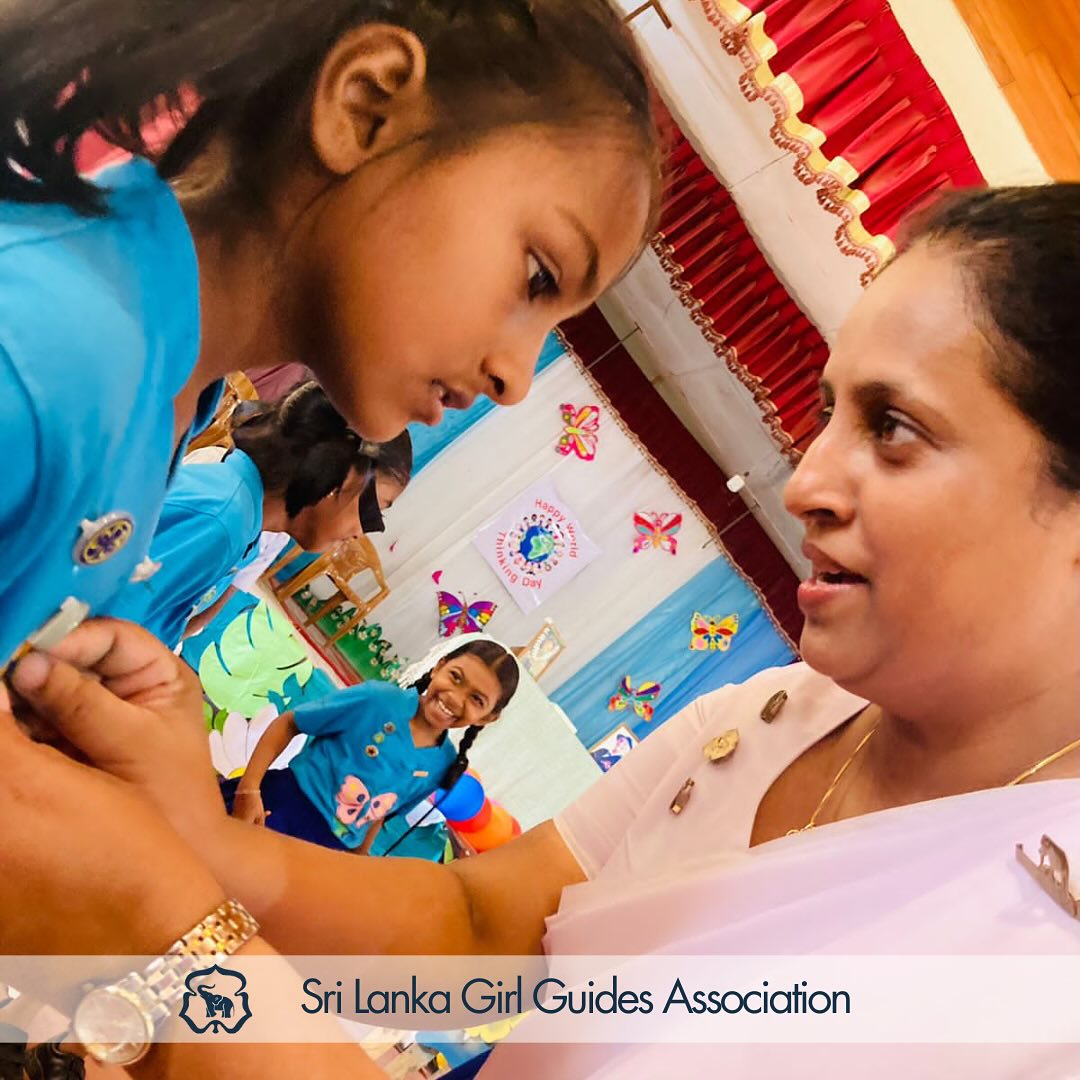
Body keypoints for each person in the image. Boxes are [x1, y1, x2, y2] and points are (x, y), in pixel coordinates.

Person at [11, 183, 1078, 1076]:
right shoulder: (770, 714)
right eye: (829, 411)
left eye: (893, 429)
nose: (804, 483)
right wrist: (190, 839)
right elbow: (481, 931)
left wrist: (171, 937)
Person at [0, 0, 658, 669]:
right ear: (365, 110)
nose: (515, 381)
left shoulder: (160, 389)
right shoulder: (50, 359)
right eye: (537, 275)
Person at [106, 382, 412, 649]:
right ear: (341, 482)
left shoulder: (242, 517)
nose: (361, 533)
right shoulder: (220, 523)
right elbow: (101, 630)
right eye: (375, 510)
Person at [224, 640, 519, 855]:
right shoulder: (377, 700)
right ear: (439, 666)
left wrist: (357, 862)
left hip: (325, 855)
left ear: (489, 717)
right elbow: (290, 723)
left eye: (476, 699)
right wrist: (249, 789)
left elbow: (378, 815)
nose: (455, 698)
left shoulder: (444, 764)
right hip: (279, 808)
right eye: (455, 677)